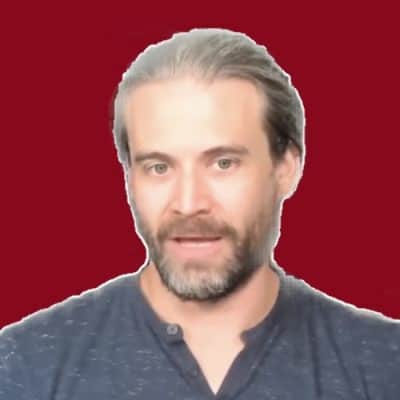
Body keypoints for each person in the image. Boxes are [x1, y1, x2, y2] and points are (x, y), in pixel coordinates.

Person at [1, 28, 399, 400]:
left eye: (223, 163)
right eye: (159, 167)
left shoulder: (384, 366)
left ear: (286, 168)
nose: (189, 203)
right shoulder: (24, 367)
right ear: (129, 177)